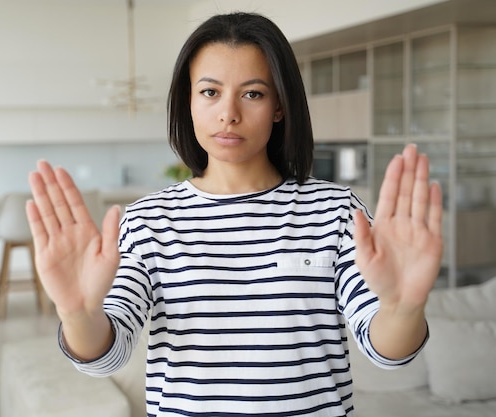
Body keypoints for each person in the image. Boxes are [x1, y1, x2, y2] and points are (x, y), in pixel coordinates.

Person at [26, 12, 443, 417]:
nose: (229, 113)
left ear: (279, 106)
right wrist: (78, 314)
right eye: (209, 92)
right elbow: (107, 355)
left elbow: (387, 352)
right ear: (188, 101)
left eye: (253, 93)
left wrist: (404, 307)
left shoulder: (335, 212)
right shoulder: (149, 221)